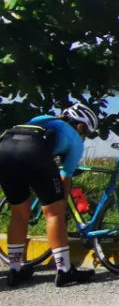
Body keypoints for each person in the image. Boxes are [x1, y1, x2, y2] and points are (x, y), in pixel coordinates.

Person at [0, 103, 102, 288]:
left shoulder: (42, 119)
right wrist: (59, 203)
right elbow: (65, 179)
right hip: (33, 152)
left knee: (19, 214)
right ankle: (64, 270)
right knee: (54, 214)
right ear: (80, 126)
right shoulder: (75, 141)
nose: (83, 136)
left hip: (5, 149)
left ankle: (14, 269)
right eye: (85, 132)